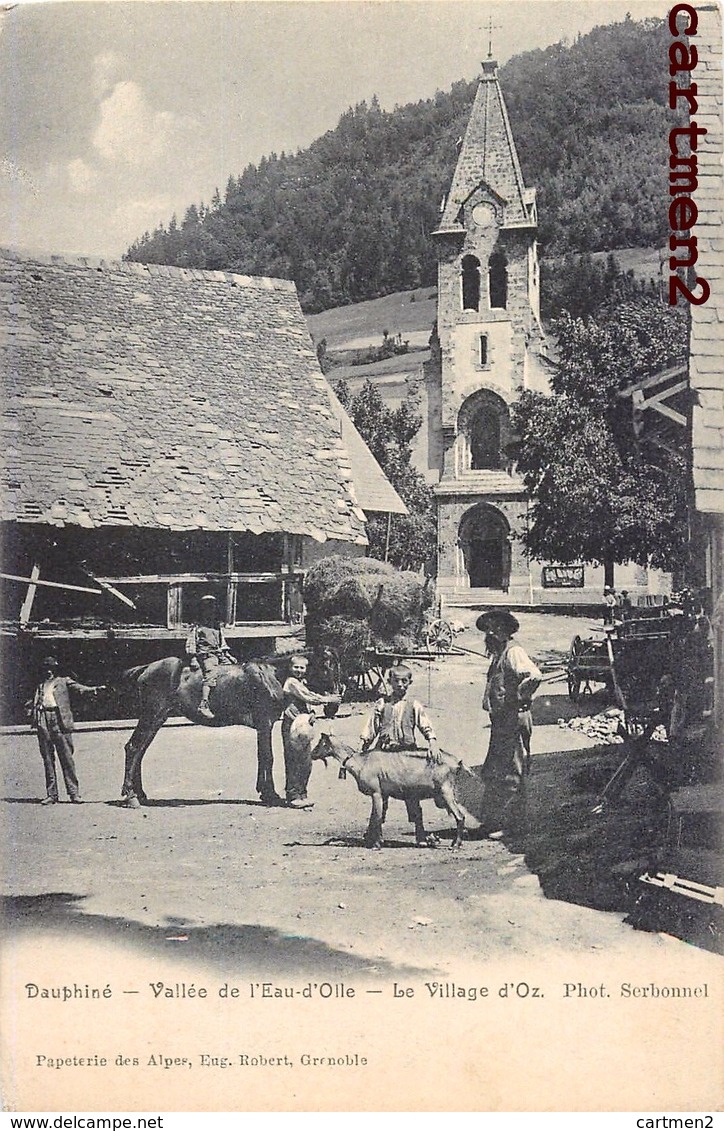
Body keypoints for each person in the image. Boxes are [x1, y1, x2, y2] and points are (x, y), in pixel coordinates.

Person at [476, 611, 542, 838]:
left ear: (506, 630)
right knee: (497, 769)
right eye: (488, 629)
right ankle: (494, 821)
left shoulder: (514, 652)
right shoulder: (499, 654)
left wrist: (519, 698)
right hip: (502, 721)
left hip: (513, 719)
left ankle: (513, 826)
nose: (490, 633)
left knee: (513, 770)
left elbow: (534, 676)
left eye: (495, 628)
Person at [360, 664, 441, 828]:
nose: (400, 685)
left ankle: (420, 831)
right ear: (390, 682)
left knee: (411, 793)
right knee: (380, 794)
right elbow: (372, 727)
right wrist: (364, 744)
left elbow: (424, 724)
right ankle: (375, 830)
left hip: (406, 755)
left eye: (404, 681)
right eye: (397, 681)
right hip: (385, 755)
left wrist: (432, 741)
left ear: (410, 682)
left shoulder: (414, 705)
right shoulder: (382, 703)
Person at [30, 656, 103, 805]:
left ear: (56, 670)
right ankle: (52, 795)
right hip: (43, 719)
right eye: (46, 668)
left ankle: (74, 794)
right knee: (48, 759)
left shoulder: (64, 681)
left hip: (59, 720)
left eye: (51, 668)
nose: (48, 671)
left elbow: (80, 688)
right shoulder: (40, 686)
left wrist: (94, 689)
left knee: (67, 758)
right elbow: (36, 701)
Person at [281, 654, 340, 808]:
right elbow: (307, 697)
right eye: (296, 667)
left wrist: (312, 713)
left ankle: (302, 793)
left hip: (304, 724)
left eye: (302, 667)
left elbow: (308, 702)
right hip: (293, 724)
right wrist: (329, 699)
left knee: (305, 761)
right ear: (290, 668)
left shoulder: (302, 682)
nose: (299, 670)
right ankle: (293, 795)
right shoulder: (291, 682)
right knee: (293, 760)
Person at [185, 595, 236, 719]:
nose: (210, 610)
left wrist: (228, 655)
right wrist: (193, 657)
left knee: (234, 670)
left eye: (212, 607)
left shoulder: (216, 626)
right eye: (207, 607)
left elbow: (222, 643)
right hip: (206, 655)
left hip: (219, 653)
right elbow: (191, 642)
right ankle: (204, 704)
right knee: (211, 673)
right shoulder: (198, 626)